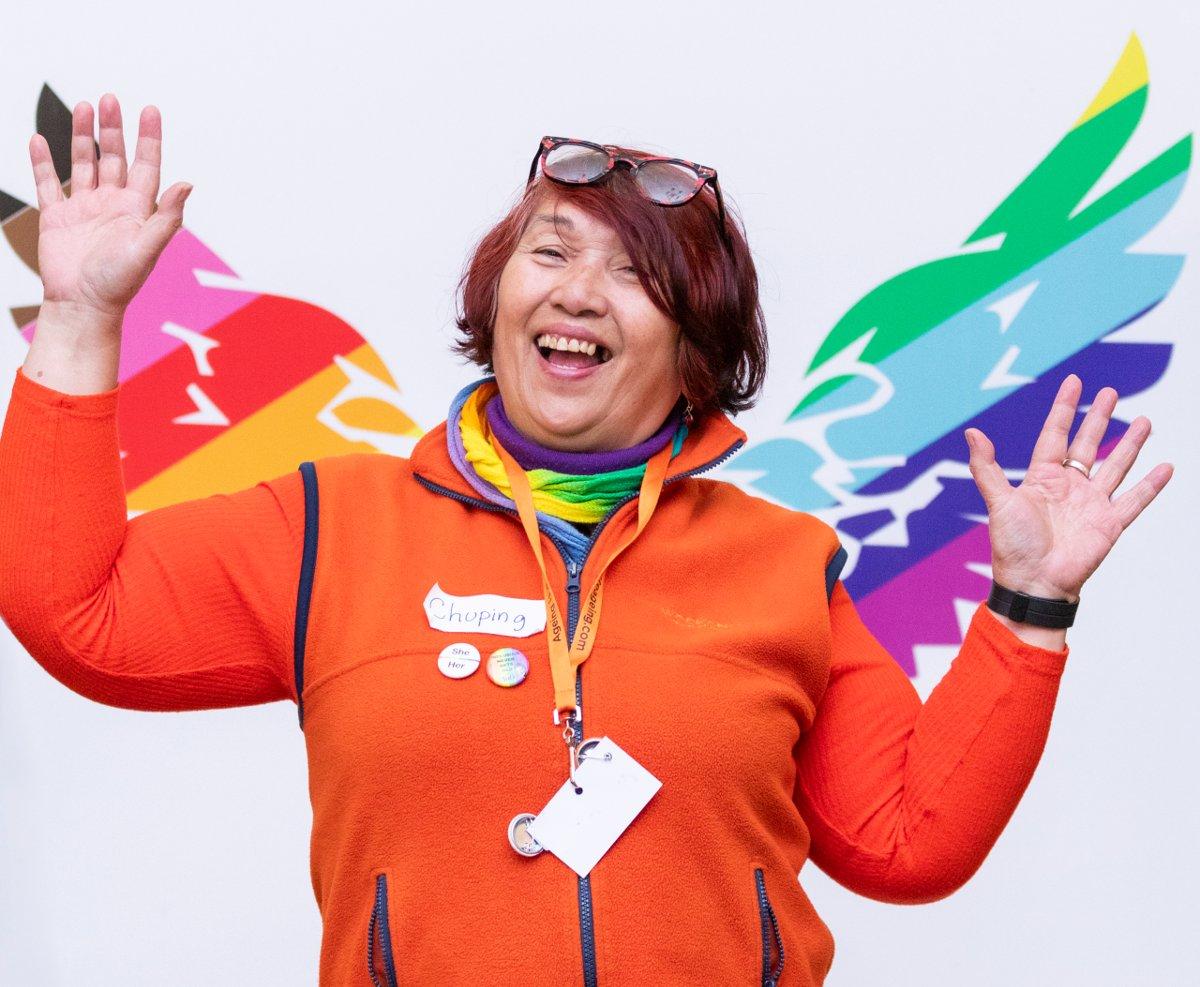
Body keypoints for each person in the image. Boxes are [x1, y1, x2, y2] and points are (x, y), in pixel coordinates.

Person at [0, 94, 1174, 986]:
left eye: (634, 276)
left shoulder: (784, 564)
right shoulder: (330, 525)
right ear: (496, 300)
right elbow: (75, 610)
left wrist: (1028, 603)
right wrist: (81, 317)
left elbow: (909, 845)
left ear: (695, 352)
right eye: (550, 255)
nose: (577, 293)